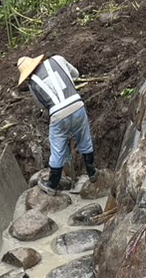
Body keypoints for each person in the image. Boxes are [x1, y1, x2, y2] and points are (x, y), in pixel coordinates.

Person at [17, 53, 95, 192]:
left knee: (57, 147)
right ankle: (92, 172)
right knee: (84, 138)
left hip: (57, 114)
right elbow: (75, 74)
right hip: (77, 105)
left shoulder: (32, 84)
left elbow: (42, 106)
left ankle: (52, 184)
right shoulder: (58, 59)